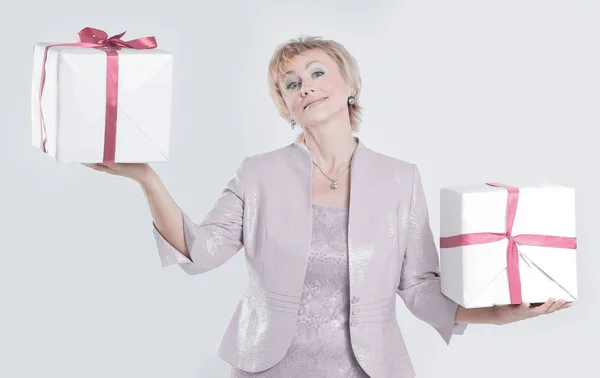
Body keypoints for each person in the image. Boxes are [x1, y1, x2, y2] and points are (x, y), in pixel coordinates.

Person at [83, 36, 573, 378]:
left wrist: (497, 317)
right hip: (268, 367)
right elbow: (202, 252)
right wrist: (146, 178)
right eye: (290, 84)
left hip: (373, 367)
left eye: (317, 73)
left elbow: (420, 286)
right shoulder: (258, 173)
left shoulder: (401, 177)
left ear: (349, 86)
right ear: (284, 107)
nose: (306, 86)